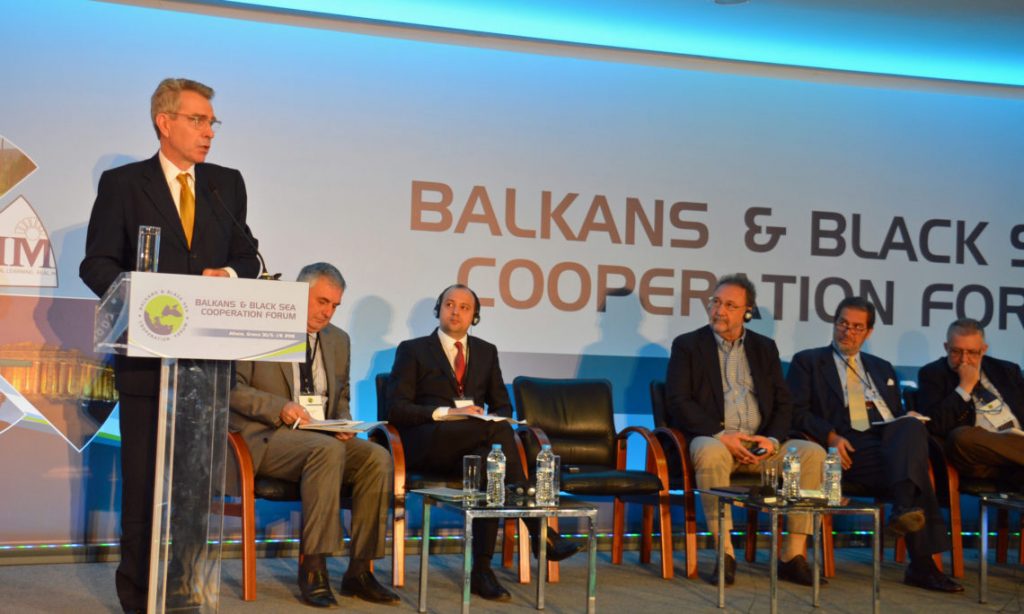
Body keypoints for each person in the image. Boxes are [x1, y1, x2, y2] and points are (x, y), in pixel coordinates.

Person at [79, 78, 261, 613]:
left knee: (193, 490)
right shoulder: (124, 184)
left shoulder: (226, 184)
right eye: (198, 120)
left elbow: (248, 255)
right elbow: (96, 263)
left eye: (212, 122)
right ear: (165, 122)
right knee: (142, 487)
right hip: (147, 362)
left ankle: (184, 590)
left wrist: (228, 274)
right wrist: (144, 298)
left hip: (206, 366)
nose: (209, 132)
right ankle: (139, 595)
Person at [386, 284, 581, 602]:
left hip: (473, 448)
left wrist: (489, 418)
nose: (456, 311)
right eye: (449, 304)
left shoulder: (486, 352)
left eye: (464, 307)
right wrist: (446, 413)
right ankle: (539, 531)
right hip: (428, 442)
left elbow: (503, 406)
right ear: (439, 310)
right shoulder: (413, 350)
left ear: (474, 316)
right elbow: (395, 408)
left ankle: (482, 570)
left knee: (494, 463)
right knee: (498, 437)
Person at [229, 263, 398, 607]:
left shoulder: (338, 339)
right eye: (322, 301)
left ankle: (359, 571)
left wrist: (344, 423)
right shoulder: (263, 326)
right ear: (299, 293)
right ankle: (314, 568)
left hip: (320, 435)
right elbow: (232, 390)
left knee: (377, 458)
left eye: (335, 305)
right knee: (326, 451)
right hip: (267, 435)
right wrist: (280, 407)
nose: (328, 312)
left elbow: (342, 395)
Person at [787, 296, 962, 593]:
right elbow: (797, 411)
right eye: (843, 324)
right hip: (845, 448)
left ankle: (904, 509)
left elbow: (893, 415)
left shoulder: (882, 368)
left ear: (869, 332)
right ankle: (922, 564)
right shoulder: (809, 362)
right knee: (915, 473)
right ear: (834, 323)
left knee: (910, 426)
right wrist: (830, 436)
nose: (848, 332)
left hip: (886, 444)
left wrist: (907, 418)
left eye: (857, 327)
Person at [664, 273, 824, 587]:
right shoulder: (688, 346)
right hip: (716, 440)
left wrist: (772, 439)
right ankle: (725, 554)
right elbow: (678, 401)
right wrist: (722, 435)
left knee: (811, 454)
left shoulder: (764, 348)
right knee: (708, 451)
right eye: (715, 302)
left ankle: (792, 555)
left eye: (729, 305)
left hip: (760, 445)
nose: (719, 311)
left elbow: (784, 402)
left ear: (747, 312)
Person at [917, 318, 1024, 490]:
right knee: (961, 437)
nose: (964, 360)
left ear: (983, 350)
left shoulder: (1007, 370)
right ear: (946, 347)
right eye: (956, 352)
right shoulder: (932, 374)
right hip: (975, 449)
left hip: (1012, 446)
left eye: (972, 353)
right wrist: (964, 387)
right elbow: (934, 425)